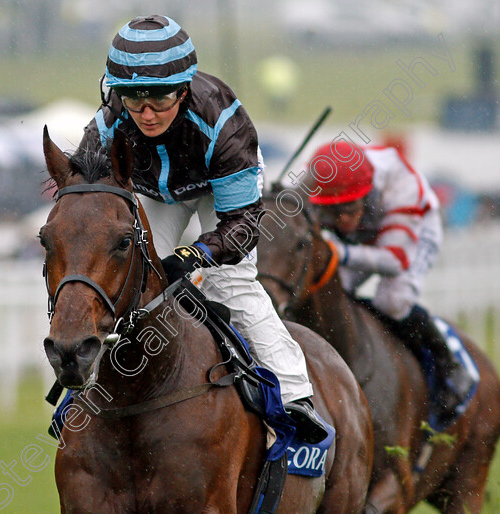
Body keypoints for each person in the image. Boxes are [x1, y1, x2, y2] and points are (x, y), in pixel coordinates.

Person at [77, 14, 326, 443]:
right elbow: (85, 194)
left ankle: (295, 395)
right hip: (155, 190)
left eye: (158, 98)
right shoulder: (108, 120)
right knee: (128, 273)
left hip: (220, 192)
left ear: (184, 88)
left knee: (230, 282)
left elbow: (243, 225)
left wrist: (199, 254)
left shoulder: (225, 126)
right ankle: (89, 392)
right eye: (133, 100)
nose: (146, 113)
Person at [306, 141, 475, 422]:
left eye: (349, 208)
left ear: (368, 193)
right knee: (333, 292)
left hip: (413, 232)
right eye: (333, 211)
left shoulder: (401, 187)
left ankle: (449, 364)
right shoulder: (316, 178)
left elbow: (395, 260)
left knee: (393, 301)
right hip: (364, 236)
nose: (343, 219)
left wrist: (338, 251)